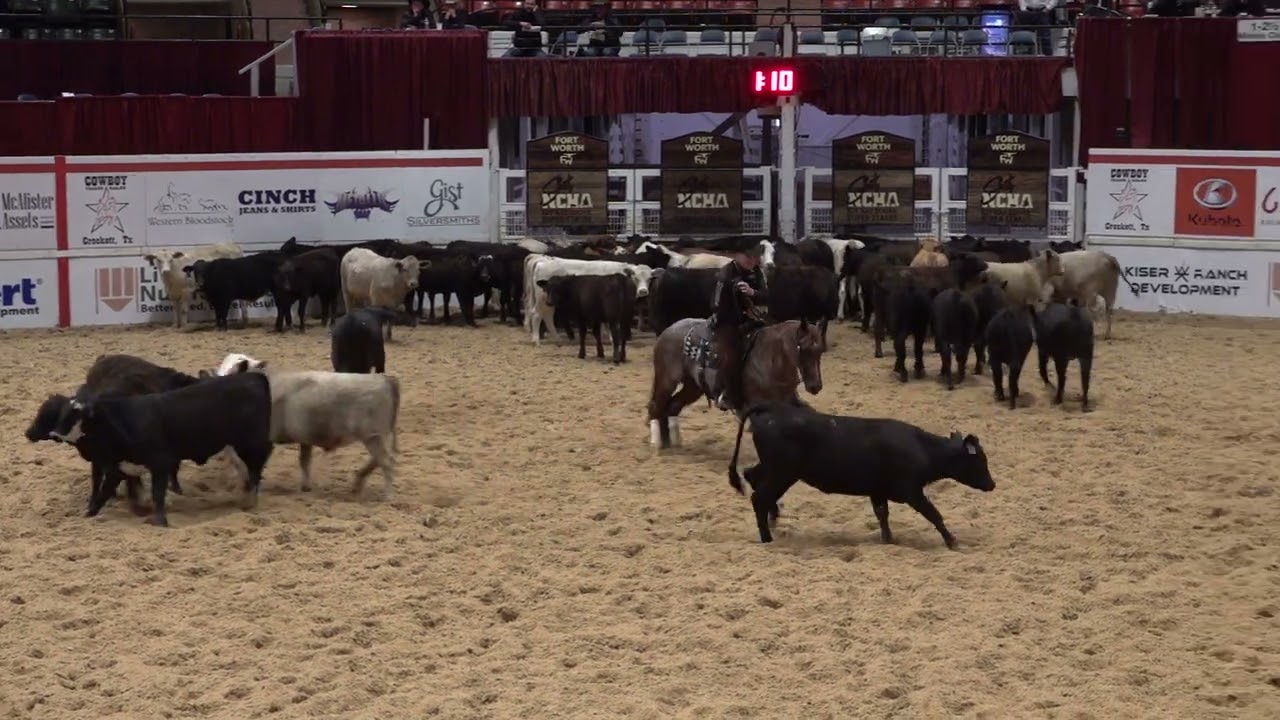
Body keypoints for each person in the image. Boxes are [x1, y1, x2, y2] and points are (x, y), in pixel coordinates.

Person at [707, 237, 770, 412]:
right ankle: (728, 395)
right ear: (737, 256)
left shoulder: (757, 272)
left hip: (753, 320)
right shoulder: (724, 275)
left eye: (755, 257)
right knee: (731, 357)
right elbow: (716, 305)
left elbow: (767, 296)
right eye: (748, 257)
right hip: (727, 323)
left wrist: (753, 293)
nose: (752, 260)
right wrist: (740, 313)